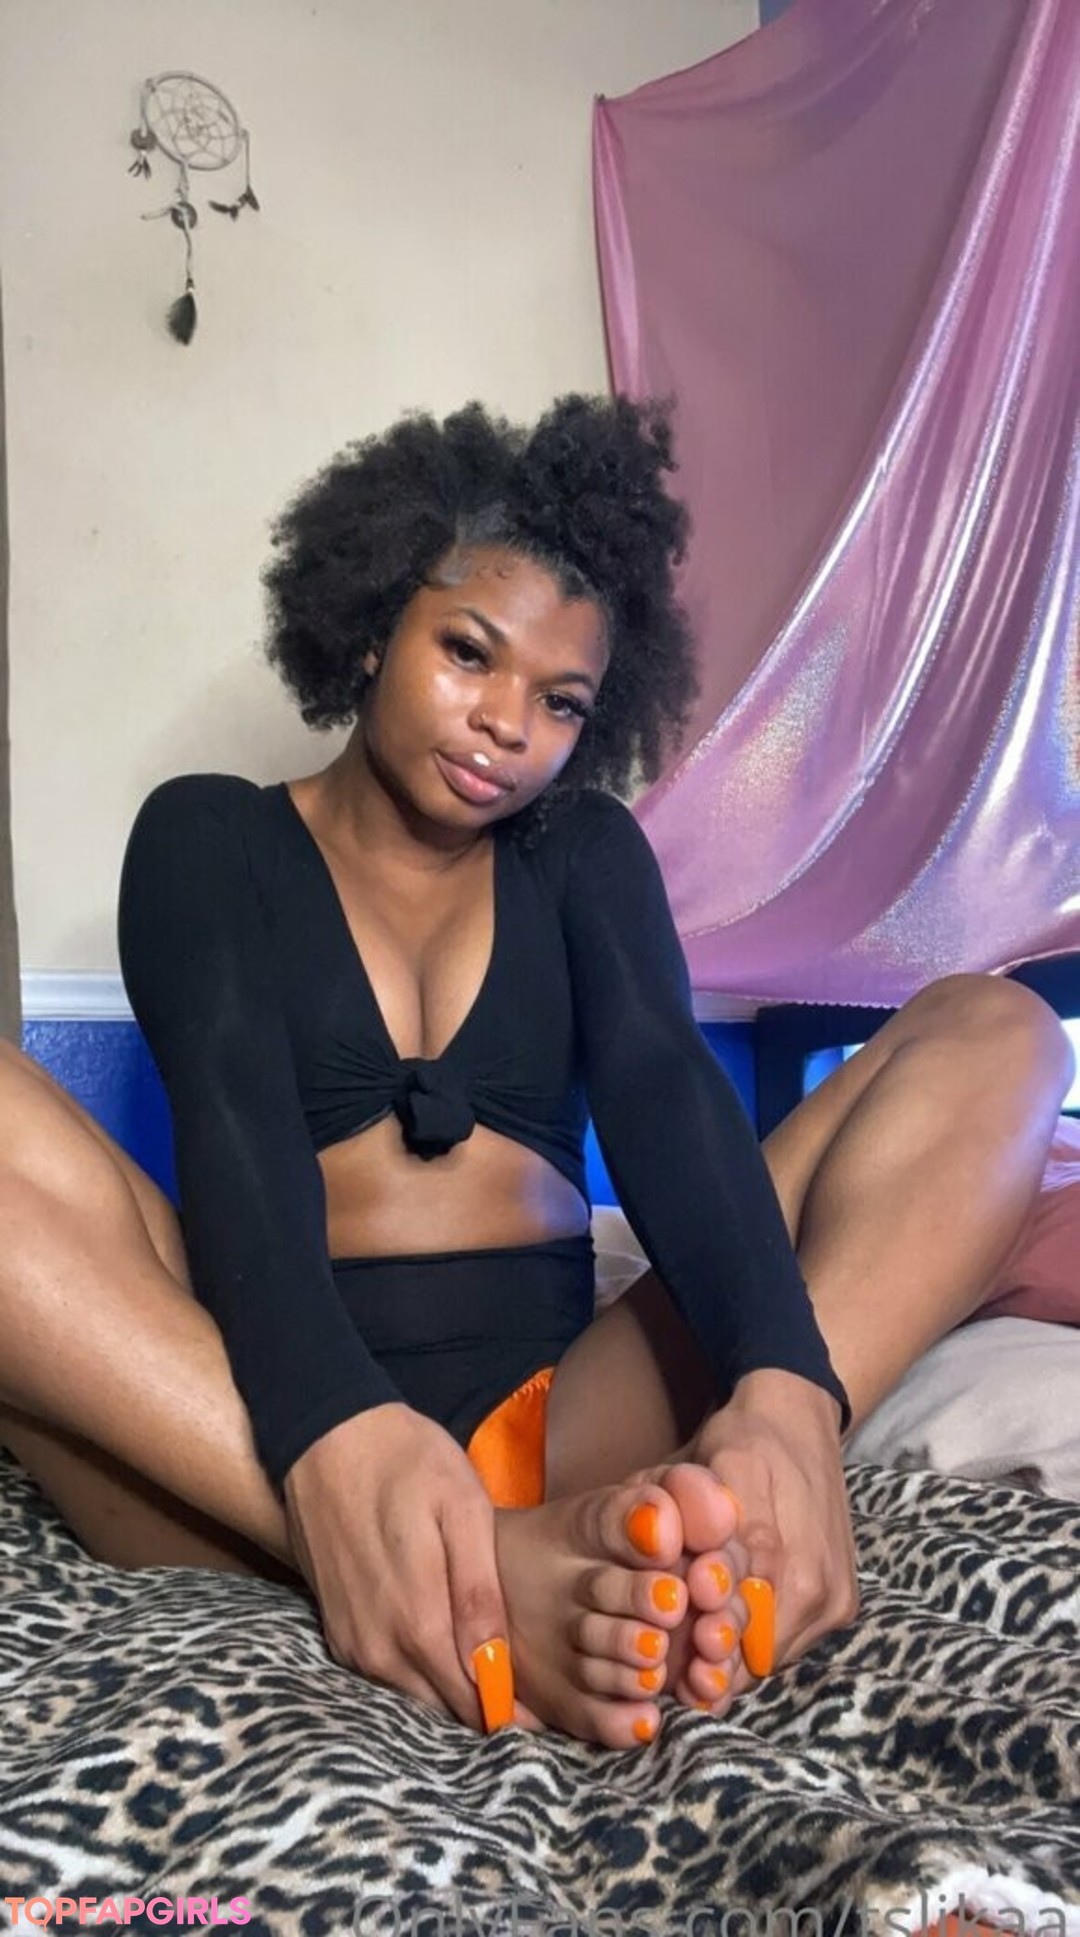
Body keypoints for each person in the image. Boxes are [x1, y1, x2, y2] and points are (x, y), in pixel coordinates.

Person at [0, 397, 1071, 1751]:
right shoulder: (208, 839)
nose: (506, 722)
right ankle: (477, 1566)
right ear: (373, 623)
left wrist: (783, 1381)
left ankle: (766, 1468)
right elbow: (235, 1153)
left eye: (561, 701)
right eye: (469, 652)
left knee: (998, 1030)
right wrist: (336, 1433)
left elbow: (671, 1100)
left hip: (563, 1422)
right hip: (249, 1417)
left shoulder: (579, 853)